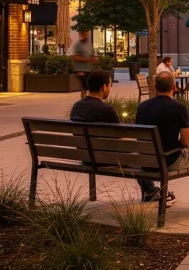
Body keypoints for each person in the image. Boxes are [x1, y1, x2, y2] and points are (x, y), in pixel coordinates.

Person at [70, 70, 170, 204]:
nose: (110, 89)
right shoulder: (106, 110)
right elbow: (120, 138)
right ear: (104, 87)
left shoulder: (77, 106)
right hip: (103, 158)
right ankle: (150, 191)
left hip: (85, 156)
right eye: (110, 85)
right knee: (140, 151)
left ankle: (150, 190)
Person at [136, 72, 189, 211]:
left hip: (146, 160)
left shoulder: (142, 106)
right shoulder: (178, 108)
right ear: (174, 87)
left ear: (155, 87)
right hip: (169, 160)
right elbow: (186, 141)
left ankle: (163, 194)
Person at [70, 30, 98, 99]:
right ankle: (83, 100)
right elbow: (75, 57)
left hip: (89, 69)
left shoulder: (89, 45)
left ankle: (86, 100)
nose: (86, 36)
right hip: (80, 70)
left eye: (87, 34)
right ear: (81, 35)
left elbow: (92, 55)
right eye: (85, 34)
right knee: (84, 85)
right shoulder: (77, 45)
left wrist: (95, 59)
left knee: (89, 86)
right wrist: (88, 59)